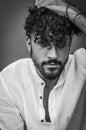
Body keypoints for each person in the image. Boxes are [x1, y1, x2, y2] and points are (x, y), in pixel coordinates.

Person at [0, 0, 86, 129]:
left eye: (61, 43)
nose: (53, 55)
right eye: (44, 43)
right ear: (29, 43)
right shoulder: (8, 82)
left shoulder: (82, 66)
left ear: (69, 43)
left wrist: (70, 12)